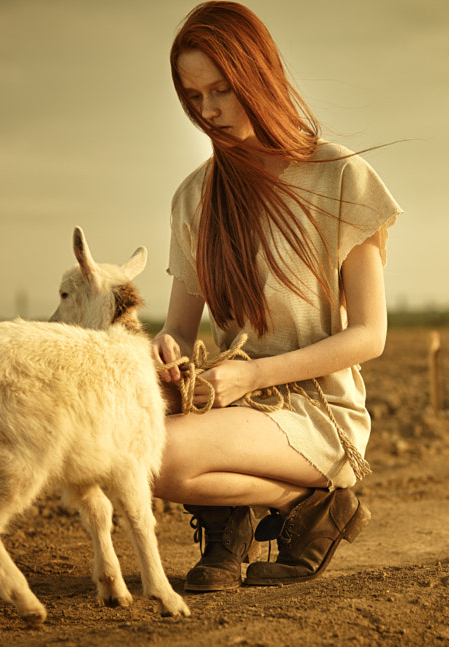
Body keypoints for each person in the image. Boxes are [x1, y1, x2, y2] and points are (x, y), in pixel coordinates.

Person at [150, 1, 401, 592]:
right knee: (121, 446)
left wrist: (252, 377)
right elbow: (178, 332)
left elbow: (370, 336)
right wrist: (166, 354)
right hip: (231, 405)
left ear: (257, 77)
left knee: (155, 456)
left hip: (320, 414)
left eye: (222, 89)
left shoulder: (339, 175)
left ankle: (314, 499)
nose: (208, 111)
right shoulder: (195, 199)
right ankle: (276, 507)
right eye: (193, 97)